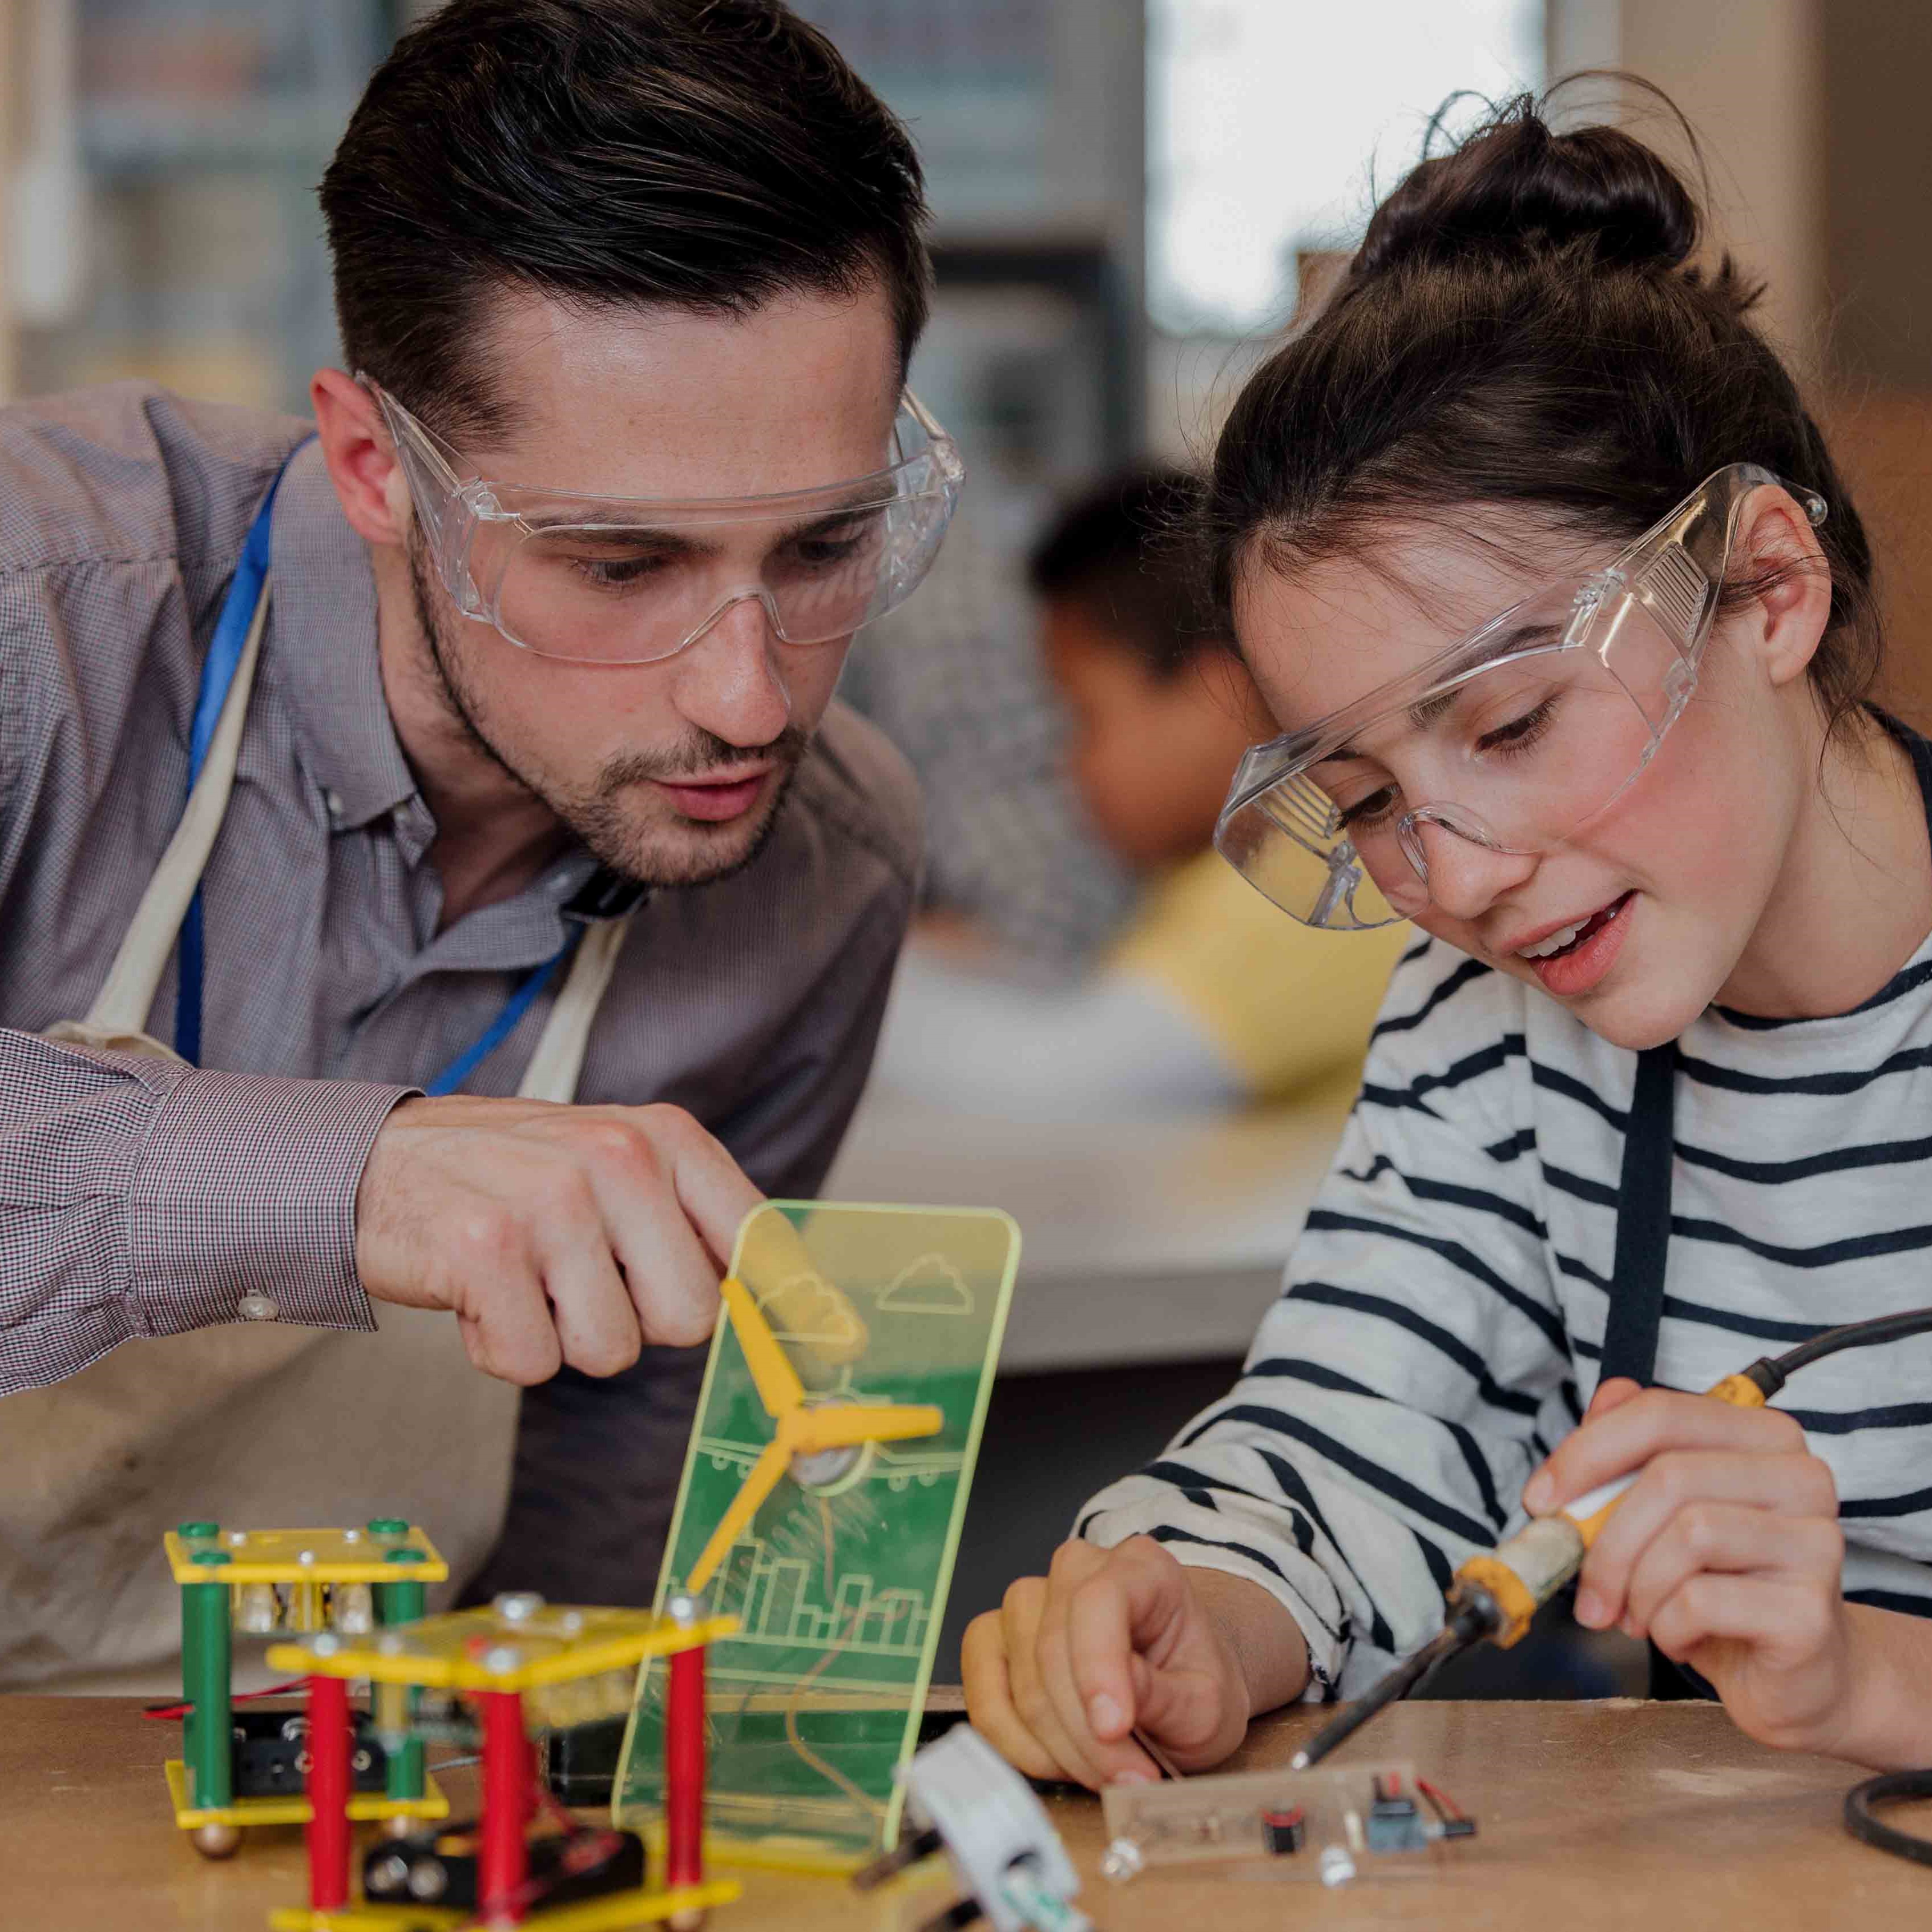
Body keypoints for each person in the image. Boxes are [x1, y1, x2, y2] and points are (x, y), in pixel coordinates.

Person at [963, 94, 1932, 1784]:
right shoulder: (1493, 1013)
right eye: (1363, 801)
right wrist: (1185, 1606)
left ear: (1769, 588)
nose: (1458, 874)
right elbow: (1351, 1450)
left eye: (1504, 730)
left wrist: (1868, 1676)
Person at [0, 0, 950, 1687]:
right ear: (375, 462)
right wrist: (352, 1175)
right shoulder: (41, 623)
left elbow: (612, 1535)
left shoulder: (825, 875)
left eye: (824, 547)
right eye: (615, 566)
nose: (749, 701)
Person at [869, 468, 1407, 1120]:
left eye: (1085, 716)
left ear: (1219, 693)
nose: (1071, 764)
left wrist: (823, 975)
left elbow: (1063, 1078)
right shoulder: (1222, 875)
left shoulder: (1327, 866)